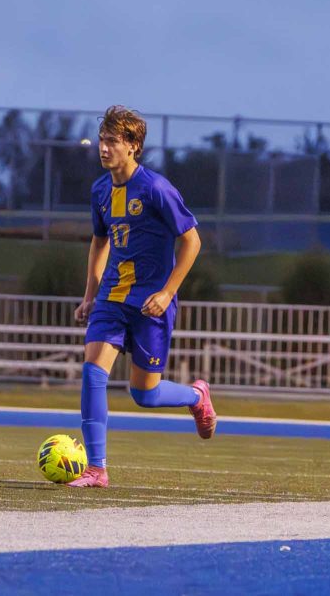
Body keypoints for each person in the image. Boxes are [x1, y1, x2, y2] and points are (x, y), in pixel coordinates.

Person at [68, 105, 216, 489]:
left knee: (144, 395)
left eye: (112, 141)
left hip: (151, 303)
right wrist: (90, 295)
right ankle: (97, 468)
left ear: (133, 146)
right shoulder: (100, 190)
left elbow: (192, 240)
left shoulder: (155, 188)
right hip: (112, 300)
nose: (103, 148)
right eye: (102, 139)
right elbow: (99, 243)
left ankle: (196, 397)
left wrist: (168, 292)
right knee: (92, 373)